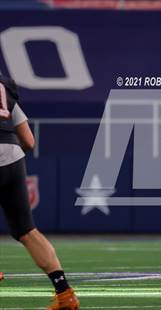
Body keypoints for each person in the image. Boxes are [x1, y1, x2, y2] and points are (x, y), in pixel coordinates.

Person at [0, 75, 80, 309]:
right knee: (27, 231)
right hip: (13, 157)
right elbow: (29, 140)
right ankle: (65, 293)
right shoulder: (5, 92)